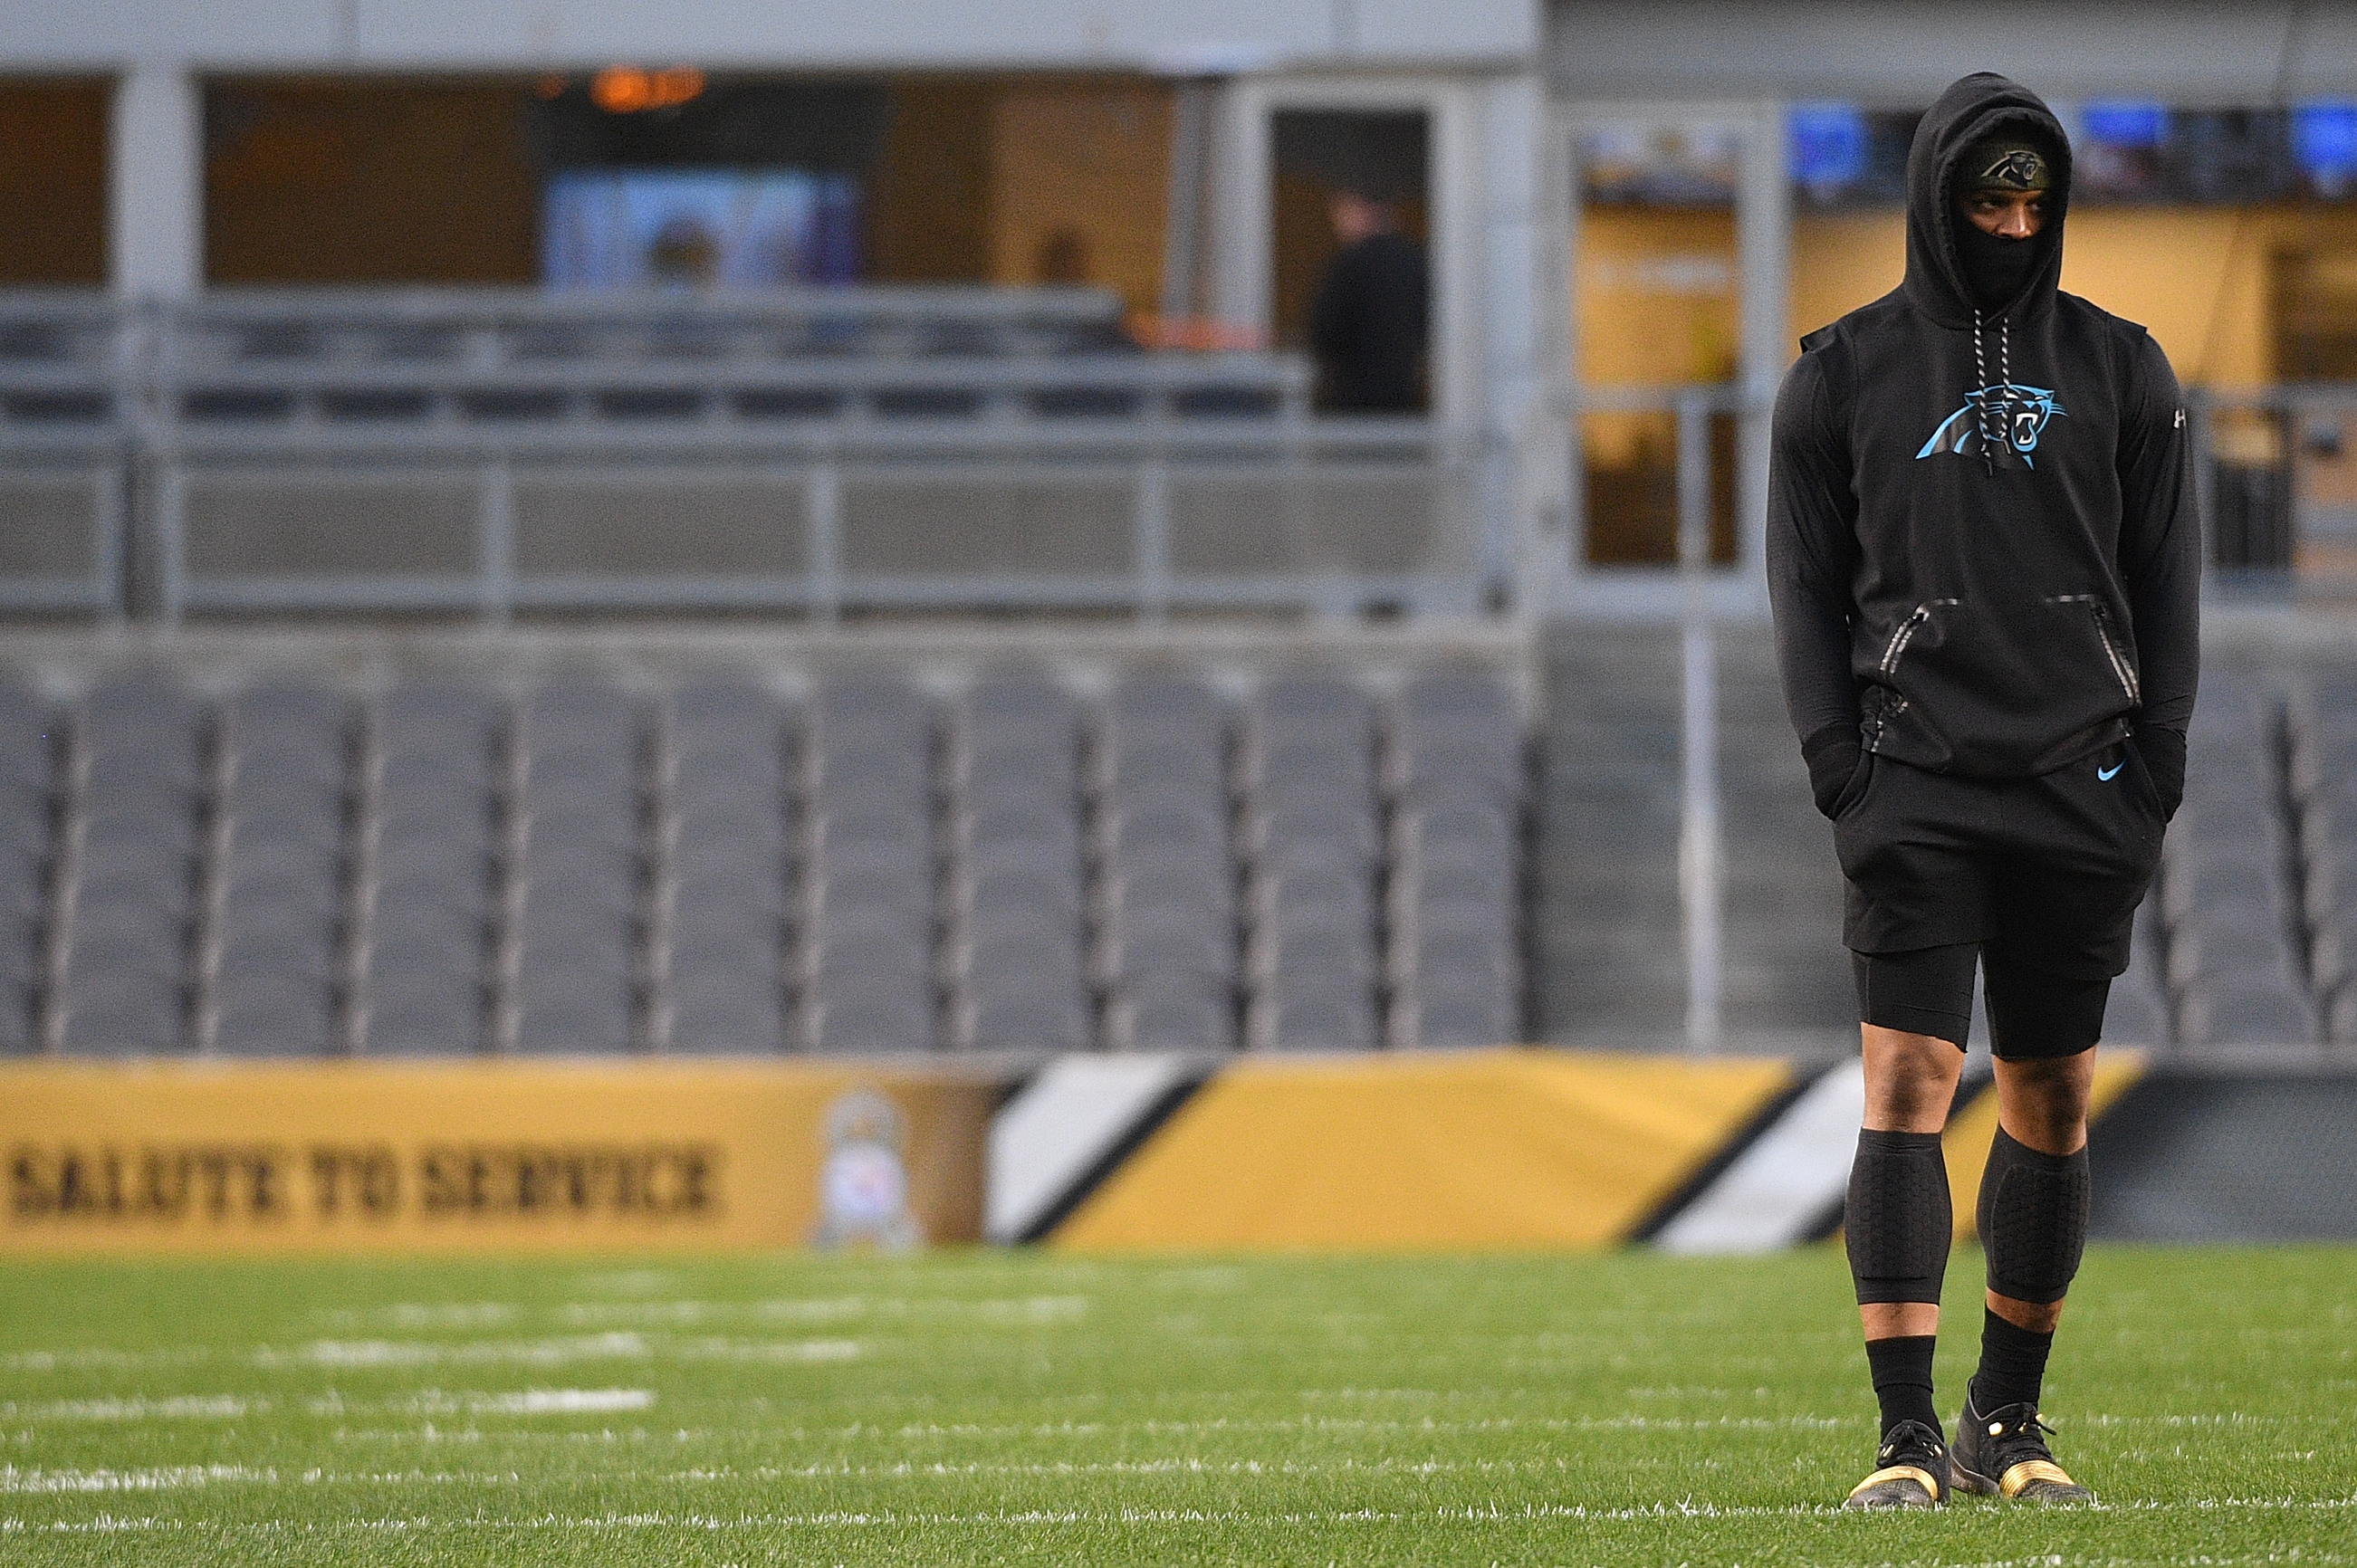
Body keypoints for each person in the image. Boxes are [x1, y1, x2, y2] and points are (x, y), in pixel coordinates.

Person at [1766, 73, 2199, 1510]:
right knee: (1906, 1081)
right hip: (1914, 784)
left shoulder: (2125, 368)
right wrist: (1840, 767)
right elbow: (1802, 594)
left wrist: (2157, 762)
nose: (2011, 225)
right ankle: (1900, 1441)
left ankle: (2004, 1424)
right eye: (1984, 200)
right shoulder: (1836, 374)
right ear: (1935, 200)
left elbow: (2167, 588)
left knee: (2052, 1097)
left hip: (2081, 784)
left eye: (2031, 201)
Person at [1307, 190, 1428, 413]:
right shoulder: (1416, 261)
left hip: (1350, 397)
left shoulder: (1349, 263)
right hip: (1404, 396)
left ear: (1360, 209)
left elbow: (1324, 331)